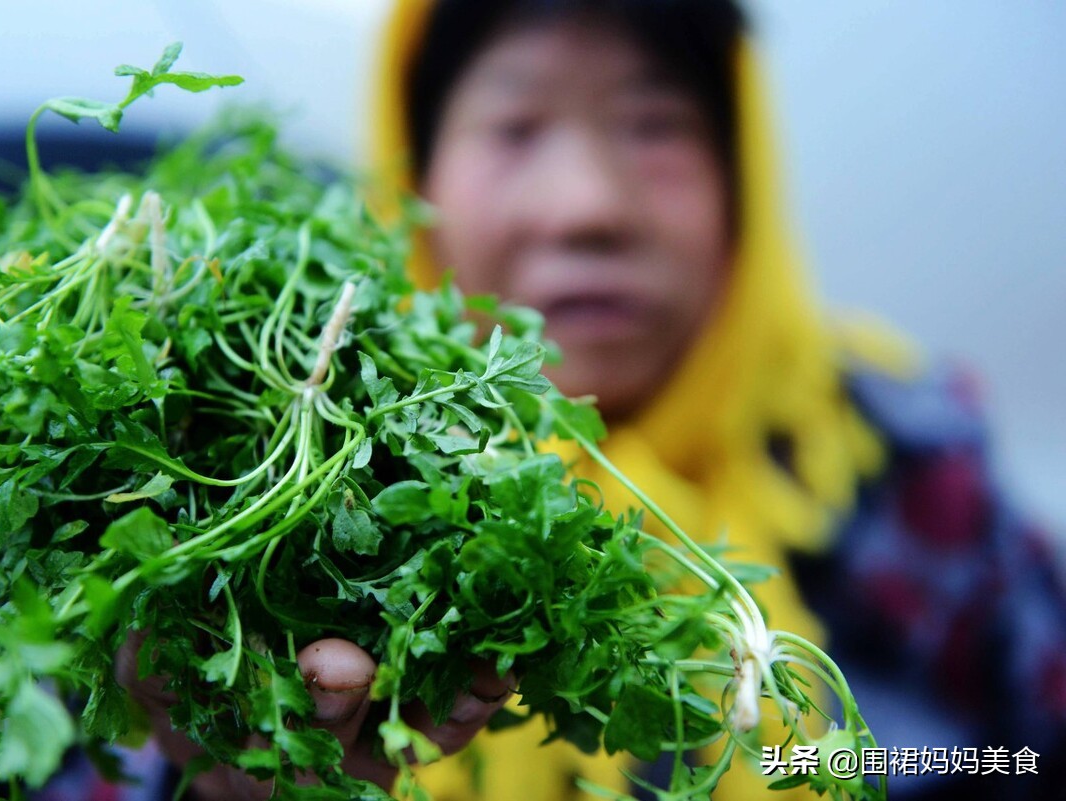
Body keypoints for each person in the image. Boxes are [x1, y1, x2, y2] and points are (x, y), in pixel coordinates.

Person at [55, 1, 1066, 799]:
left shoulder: (899, 461)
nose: (588, 206)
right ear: (417, 180)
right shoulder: (283, 507)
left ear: (740, 177)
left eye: (654, 125)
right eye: (515, 126)